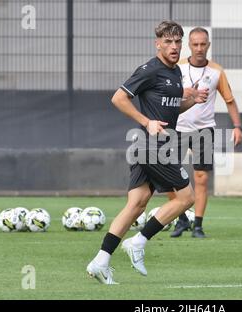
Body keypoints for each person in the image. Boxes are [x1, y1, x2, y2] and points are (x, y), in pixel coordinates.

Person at [86, 21, 208, 284]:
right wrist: (146, 121)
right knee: (186, 199)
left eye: (177, 41)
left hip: (147, 146)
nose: (174, 46)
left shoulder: (175, 73)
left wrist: (191, 100)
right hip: (154, 146)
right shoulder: (149, 70)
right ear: (158, 44)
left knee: (136, 204)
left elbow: (171, 110)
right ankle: (139, 241)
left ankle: (100, 261)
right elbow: (118, 98)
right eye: (168, 42)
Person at [168, 27, 242, 238]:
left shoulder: (216, 71)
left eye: (203, 44)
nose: (199, 48)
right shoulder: (177, 68)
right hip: (177, 128)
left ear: (208, 45)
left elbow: (230, 101)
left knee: (201, 178)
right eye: (195, 44)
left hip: (204, 130)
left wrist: (238, 127)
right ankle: (181, 219)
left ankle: (198, 225)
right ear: (189, 45)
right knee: (166, 177)